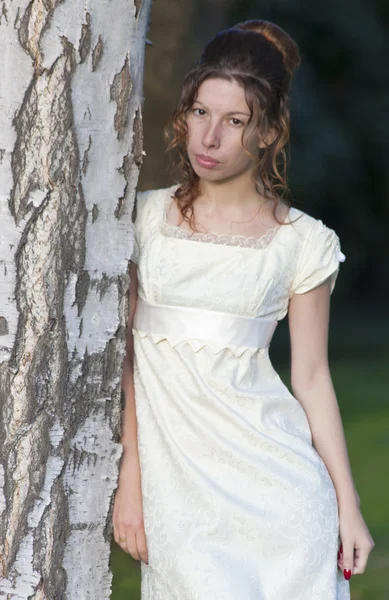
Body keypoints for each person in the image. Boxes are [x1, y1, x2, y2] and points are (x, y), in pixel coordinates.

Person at [112, 19, 374, 600]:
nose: (210, 138)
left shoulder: (304, 243)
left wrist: (348, 507)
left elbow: (311, 378)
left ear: (269, 133)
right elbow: (124, 358)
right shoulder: (142, 220)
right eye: (201, 114)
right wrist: (131, 481)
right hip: (178, 498)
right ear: (183, 116)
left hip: (282, 497)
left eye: (235, 122)